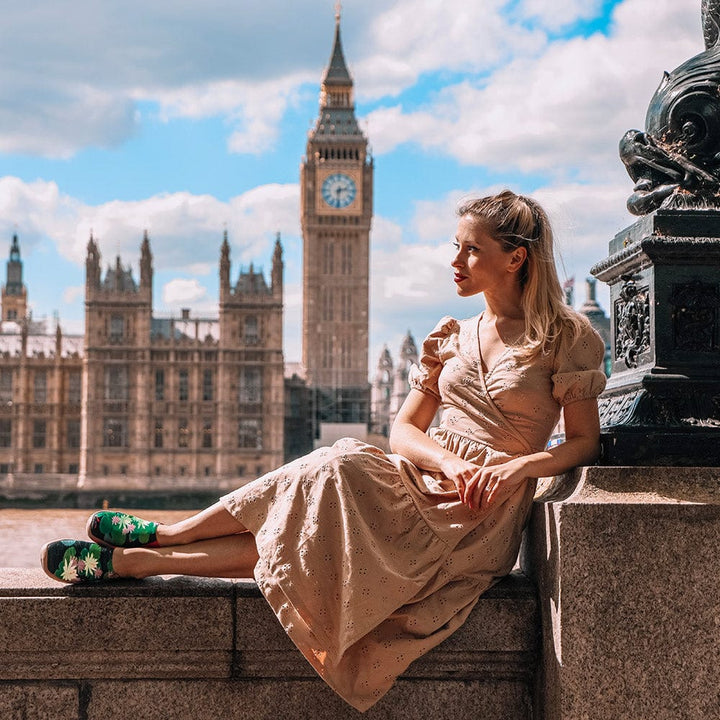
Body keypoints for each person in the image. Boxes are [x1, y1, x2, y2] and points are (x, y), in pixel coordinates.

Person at [41, 190, 606, 712]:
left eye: (471, 249)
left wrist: (517, 468)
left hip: (476, 517)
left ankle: (153, 545)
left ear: (516, 258)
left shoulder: (568, 336)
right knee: (327, 483)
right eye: (454, 246)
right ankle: (153, 547)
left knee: (333, 473)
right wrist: (449, 461)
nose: (455, 260)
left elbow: (584, 441)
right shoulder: (451, 334)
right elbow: (404, 430)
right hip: (427, 476)